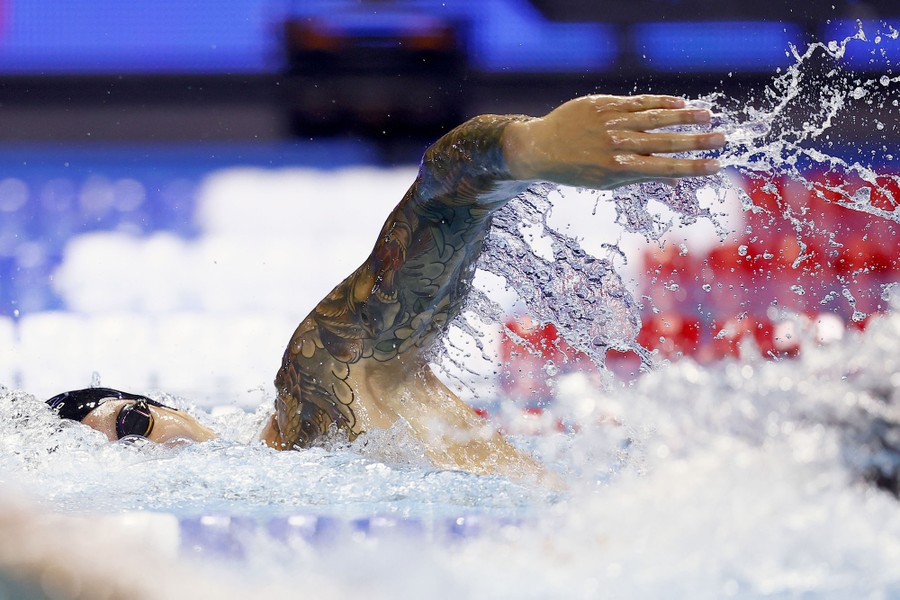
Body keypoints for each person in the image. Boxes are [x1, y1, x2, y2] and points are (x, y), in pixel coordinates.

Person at [46, 94, 725, 482]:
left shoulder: (321, 393)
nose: (144, 463)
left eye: (132, 426)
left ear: (171, 409)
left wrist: (534, 147)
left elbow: (441, 192)